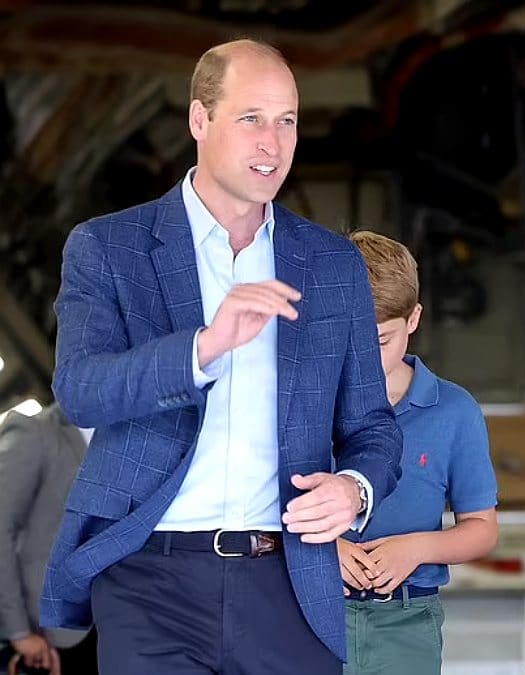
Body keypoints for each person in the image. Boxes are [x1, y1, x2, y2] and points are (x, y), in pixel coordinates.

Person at [39, 39, 401, 674]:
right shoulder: (108, 247)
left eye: (287, 120)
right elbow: (80, 389)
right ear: (199, 120)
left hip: (288, 582)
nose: (273, 142)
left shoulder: (332, 263)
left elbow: (372, 426)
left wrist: (355, 488)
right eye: (251, 118)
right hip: (150, 576)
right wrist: (203, 349)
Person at [338, 231, 499, 675]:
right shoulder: (307, 404)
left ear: (413, 319)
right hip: (313, 610)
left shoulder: (455, 410)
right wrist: (326, 549)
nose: (366, 356)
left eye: (382, 339)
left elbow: (482, 529)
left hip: (408, 618)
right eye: (350, 337)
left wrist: (417, 549)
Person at [0, 404, 97, 675]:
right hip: (52, 634)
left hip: (115, 620)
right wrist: (19, 632)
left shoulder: (129, 438)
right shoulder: (36, 433)